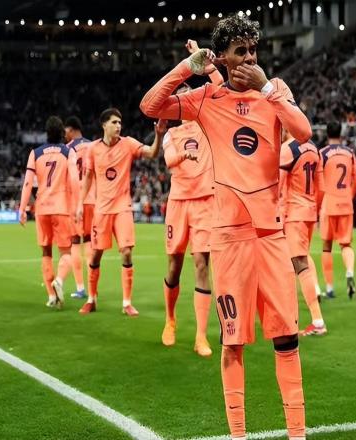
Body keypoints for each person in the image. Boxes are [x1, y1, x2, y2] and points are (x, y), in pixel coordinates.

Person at [140, 14, 311, 440]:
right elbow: (150, 107)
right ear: (222, 58)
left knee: (287, 338)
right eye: (241, 52)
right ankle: (238, 435)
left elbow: (304, 132)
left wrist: (267, 89)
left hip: (271, 236)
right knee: (232, 341)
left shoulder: (275, 90)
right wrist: (187, 67)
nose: (250, 58)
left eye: (253, 50)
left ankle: (298, 434)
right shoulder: (205, 99)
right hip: (230, 238)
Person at [161, 40, 224, 357]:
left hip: (204, 202)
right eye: (183, 97)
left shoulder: (208, 126)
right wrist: (183, 156)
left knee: (202, 263)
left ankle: (201, 336)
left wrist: (201, 59)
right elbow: (168, 160)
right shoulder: (170, 134)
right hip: (178, 203)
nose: (188, 99)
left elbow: (220, 86)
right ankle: (170, 320)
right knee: (174, 264)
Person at [76, 108, 166, 316]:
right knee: (95, 255)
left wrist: (159, 136)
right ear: (104, 125)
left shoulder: (128, 144)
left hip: (122, 208)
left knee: (126, 252)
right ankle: (91, 299)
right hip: (101, 210)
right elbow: (88, 178)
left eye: (120, 123)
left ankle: (127, 303)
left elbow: (152, 153)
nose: (119, 126)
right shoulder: (92, 149)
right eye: (114, 122)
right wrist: (80, 204)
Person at [18, 116, 77, 308]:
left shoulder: (35, 153)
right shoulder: (68, 152)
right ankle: (59, 280)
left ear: (46, 133)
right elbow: (74, 181)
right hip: (61, 208)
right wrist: (78, 206)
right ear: (62, 133)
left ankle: (51, 296)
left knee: (46, 251)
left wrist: (22, 209)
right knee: (66, 251)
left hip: (42, 209)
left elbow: (28, 183)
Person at [279, 130, 326, 336]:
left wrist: (278, 216)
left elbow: (279, 188)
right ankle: (314, 289)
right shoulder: (314, 148)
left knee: (298, 263)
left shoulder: (288, 149)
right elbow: (321, 188)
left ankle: (317, 321)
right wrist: (314, 207)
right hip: (309, 211)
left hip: (294, 213)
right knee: (302, 257)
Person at [318, 121, 356, 299]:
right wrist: (349, 196)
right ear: (340, 133)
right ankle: (349, 271)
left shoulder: (322, 153)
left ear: (327, 134)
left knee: (327, 247)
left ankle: (329, 288)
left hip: (329, 204)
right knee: (346, 245)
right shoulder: (350, 153)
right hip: (346, 204)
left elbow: (319, 184)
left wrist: (318, 204)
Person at [64, 116, 92, 299]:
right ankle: (92, 287)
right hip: (92, 199)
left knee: (75, 242)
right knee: (89, 241)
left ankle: (81, 288)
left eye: (66, 130)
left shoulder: (68, 149)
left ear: (72, 129)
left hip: (75, 200)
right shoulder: (93, 146)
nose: (64, 134)